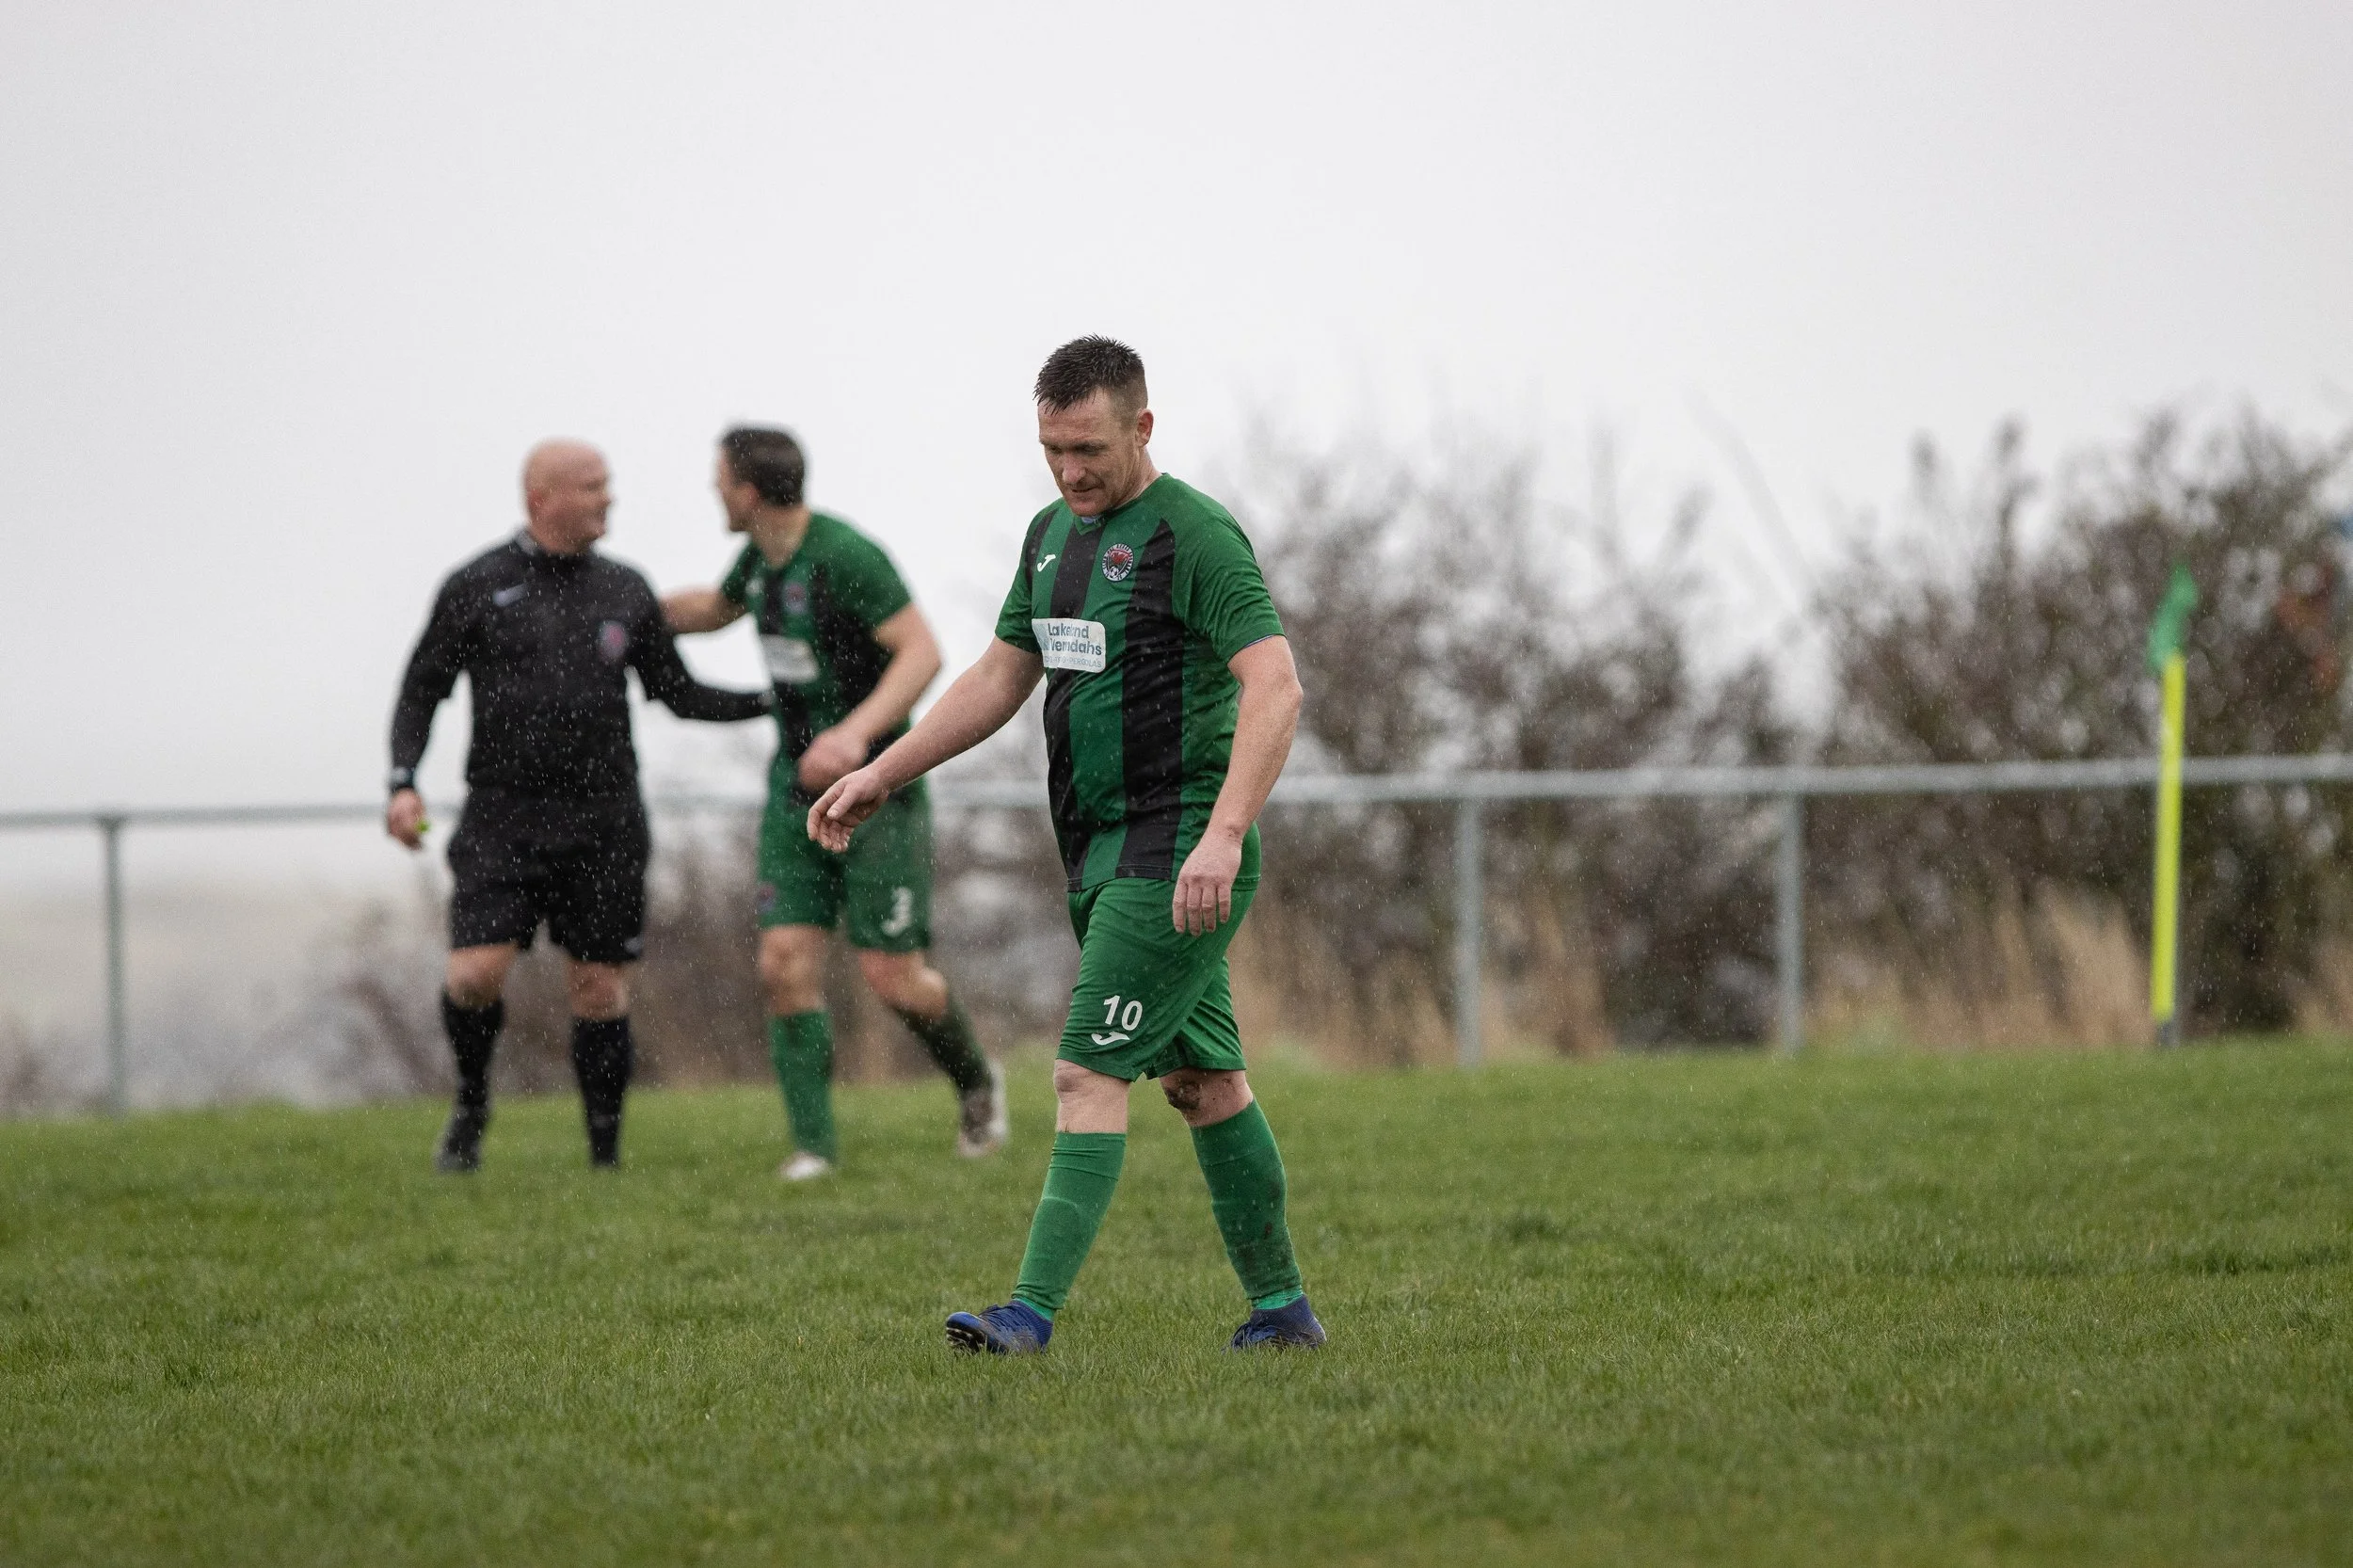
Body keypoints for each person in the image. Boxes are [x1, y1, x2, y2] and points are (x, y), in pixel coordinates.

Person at [809, 337, 1324, 1352]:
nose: (1069, 470)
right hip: (1094, 855)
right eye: (1051, 448)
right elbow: (1001, 679)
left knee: (1085, 1075)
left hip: (1175, 854)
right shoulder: (1051, 534)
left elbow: (1277, 685)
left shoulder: (1196, 535)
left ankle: (1027, 1315)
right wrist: (880, 767)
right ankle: (1282, 1313)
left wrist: (1223, 836)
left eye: (1087, 447)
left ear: (1141, 426)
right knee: (1204, 1083)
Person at [387, 439, 773, 1172]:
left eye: (609, 485)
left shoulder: (625, 589)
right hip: (502, 818)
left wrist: (775, 704)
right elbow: (421, 689)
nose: (609, 499)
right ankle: (471, 1103)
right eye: (594, 487)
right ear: (542, 499)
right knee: (473, 975)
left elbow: (679, 695)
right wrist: (401, 781)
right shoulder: (476, 584)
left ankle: (604, 1158)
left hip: (605, 822)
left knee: (599, 988)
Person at [663, 427, 1005, 1180]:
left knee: (893, 976)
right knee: (783, 963)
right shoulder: (758, 559)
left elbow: (923, 651)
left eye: (720, 479)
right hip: (793, 793)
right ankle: (814, 1149)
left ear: (748, 490)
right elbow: (714, 610)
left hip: (880, 789)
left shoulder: (846, 555)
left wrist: (855, 736)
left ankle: (977, 1083)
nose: (714, 492)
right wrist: (623, 609)